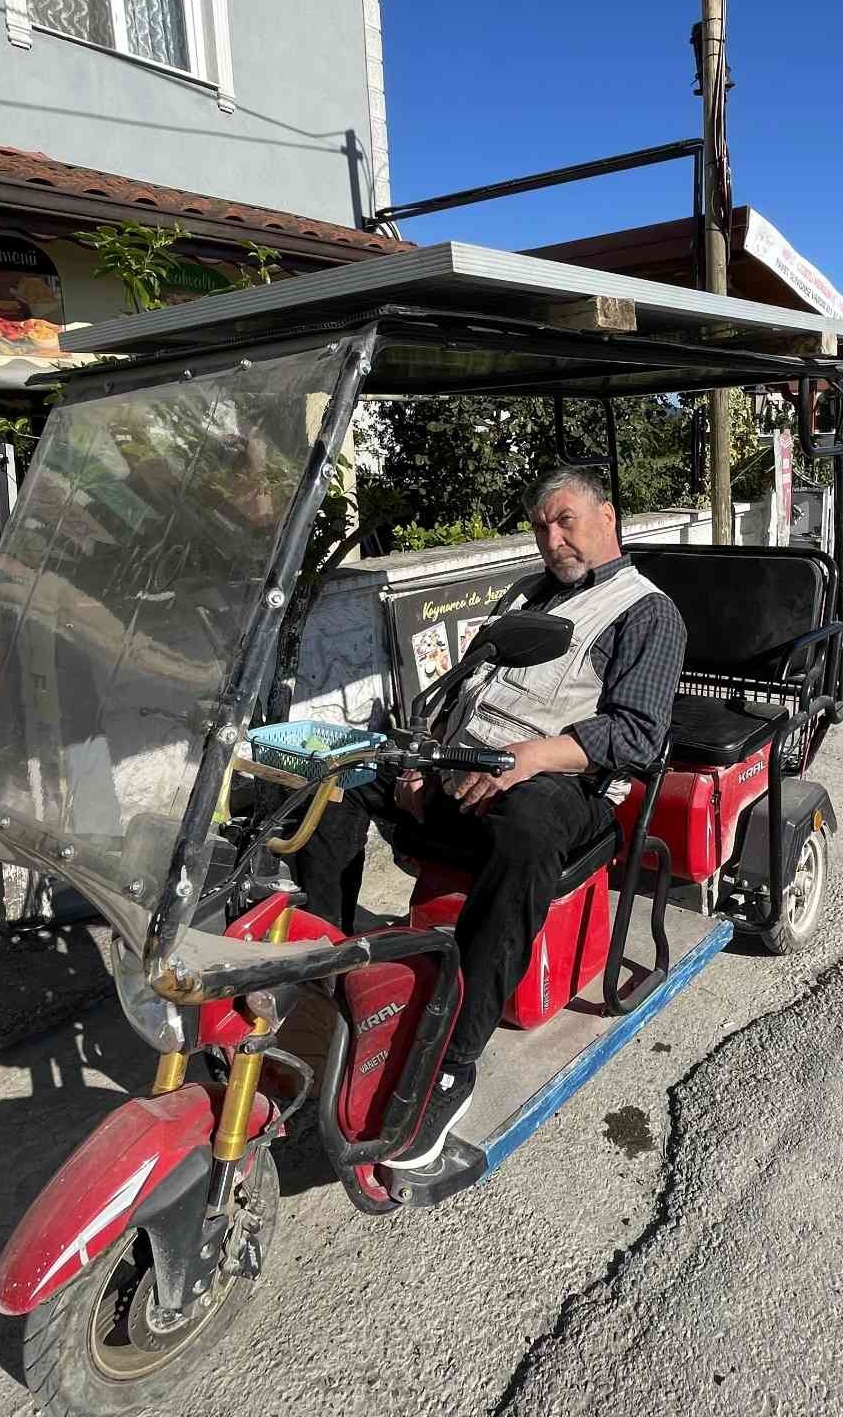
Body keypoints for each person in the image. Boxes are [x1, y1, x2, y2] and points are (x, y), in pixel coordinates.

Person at [292, 465, 686, 1168]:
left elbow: (637, 736)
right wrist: (423, 761)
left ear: (608, 517)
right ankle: (324, 983)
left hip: (566, 785)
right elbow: (466, 686)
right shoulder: (525, 594)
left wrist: (531, 757)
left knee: (527, 832)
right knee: (336, 781)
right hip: (462, 765)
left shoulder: (646, 613)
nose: (551, 537)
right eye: (541, 526)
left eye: (565, 520)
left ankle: (453, 1057)